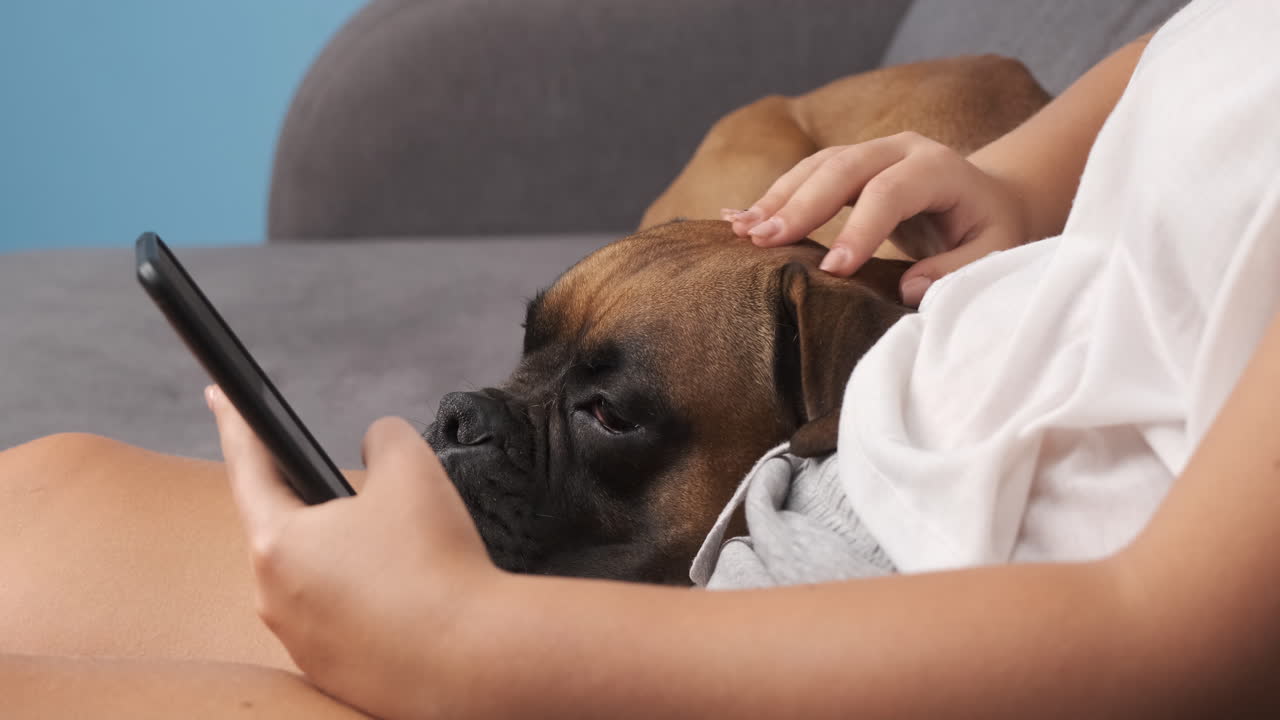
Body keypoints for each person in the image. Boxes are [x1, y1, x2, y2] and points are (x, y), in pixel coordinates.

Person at [5, 0, 1280, 716]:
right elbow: (1192, 51)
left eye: (605, 411)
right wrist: (1018, 173)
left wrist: (477, 643)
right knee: (42, 500)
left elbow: (1165, 637)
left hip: (893, 611)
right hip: (899, 465)